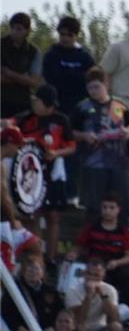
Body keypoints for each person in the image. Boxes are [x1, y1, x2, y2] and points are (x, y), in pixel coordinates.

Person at [7, 85, 75, 260]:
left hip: (53, 172)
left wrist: (56, 153)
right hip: (32, 172)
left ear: (48, 103)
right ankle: (35, 256)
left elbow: (71, 146)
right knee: (33, 214)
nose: (34, 103)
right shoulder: (26, 117)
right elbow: (10, 124)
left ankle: (50, 258)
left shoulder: (61, 120)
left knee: (53, 215)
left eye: (37, 100)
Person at [72, 67, 129, 218]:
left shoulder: (119, 105)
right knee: (95, 207)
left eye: (96, 86)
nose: (93, 91)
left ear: (106, 85)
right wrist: (84, 135)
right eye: (89, 87)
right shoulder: (82, 107)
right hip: (93, 165)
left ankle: (122, 238)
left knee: (121, 206)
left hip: (119, 164)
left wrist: (128, 132)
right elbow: (70, 132)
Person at [74, 193, 129, 304]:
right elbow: (79, 247)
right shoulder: (91, 228)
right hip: (93, 266)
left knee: (124, 278)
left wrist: (117, 262)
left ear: (118, 210)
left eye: (111, 208)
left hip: (114, 266)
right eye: (105, 207)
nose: (107, 211)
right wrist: (74, 254)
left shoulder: (125, 231)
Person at [65, 262, 123, 331]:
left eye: (96, 275)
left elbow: (114, 317)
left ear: (102, 276)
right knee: (81, 328)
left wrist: (102, 295)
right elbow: (78, 318)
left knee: (116, 328)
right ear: (84, 274)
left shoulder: (110, 290)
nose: (91, 278)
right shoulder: (73, 290)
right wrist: (88, 296)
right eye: (89, 274)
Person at [41, 16, 96, 118]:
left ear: (76, 36)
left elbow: (91, 78)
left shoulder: (85, 57)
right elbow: (49, 79)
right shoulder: (51, 55)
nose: (65, 38)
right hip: (58, 107)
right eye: (62, 34)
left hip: (81, 107)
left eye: (70, 35)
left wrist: (68, 75)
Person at [1, 12, 43, 118]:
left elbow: (34, 81)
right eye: (13, 28)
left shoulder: (33, 52)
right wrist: (23, 78)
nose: (15, 31)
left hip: (22, 105)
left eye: (19, 29)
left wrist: (8, 73)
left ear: (27, 31)